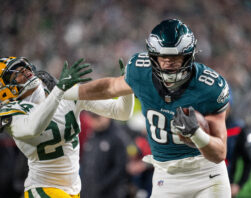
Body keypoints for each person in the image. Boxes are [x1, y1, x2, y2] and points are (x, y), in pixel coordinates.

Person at [69, 19, 231, 197]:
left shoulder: (209, 87)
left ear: (189, 56)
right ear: (153, 57)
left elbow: (219, 153)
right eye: (163, 58)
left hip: (206, 175)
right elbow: (109, 87)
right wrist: (68, 92)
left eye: (175, 58)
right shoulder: (140, 71)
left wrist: (196, 134)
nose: (169, 63)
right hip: (166, 176)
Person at [0, 57, 134, 198]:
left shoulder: (64, 92)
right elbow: (33, 127)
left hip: (72, 190)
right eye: (17, 73)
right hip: (43, 189)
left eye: (25, 68)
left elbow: (121, 112)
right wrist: (59, 91)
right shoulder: (12, 111)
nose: (26, 72)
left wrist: (127, 87)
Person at [80, 113, 129, 198]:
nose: (95, 121)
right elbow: (86, 162)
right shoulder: (92, 135)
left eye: (97, 117)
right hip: (88, 192)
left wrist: (101, 185)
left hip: (109, 193)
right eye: (92, 118)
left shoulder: (117, 136)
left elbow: (120, 168)